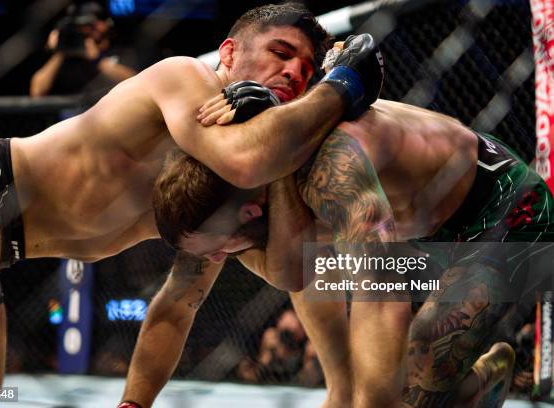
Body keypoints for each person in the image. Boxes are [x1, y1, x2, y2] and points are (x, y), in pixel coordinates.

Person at [0, 2, 387, 403]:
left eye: (308, 69)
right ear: (229, 54)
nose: (294, 72)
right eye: (281, 53)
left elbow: (181, 303)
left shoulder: (227, 193)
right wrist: (340, 85)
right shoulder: (184, 78)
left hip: (4, 249)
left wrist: (134, 404)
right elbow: (247, 157)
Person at [147, 91, 554, 407]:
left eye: (218, 249)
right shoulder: (256, 188)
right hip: (430, 232)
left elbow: (380, 292)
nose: (218, 259)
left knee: (409, 385)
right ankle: (470, 381)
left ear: (248, 210)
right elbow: (293, 274)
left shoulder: (329, 169)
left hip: (507, 210)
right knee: (407, 383)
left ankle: (466, 382)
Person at [30, 1, 137, 97]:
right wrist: (60, 51)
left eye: (90, 24)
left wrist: (97, 59)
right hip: (74, 114)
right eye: (80, 25)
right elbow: (37, 92)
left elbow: (135, 82)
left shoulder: (121, 49)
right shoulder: (68, 57)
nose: (86, 29)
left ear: (104, 23)